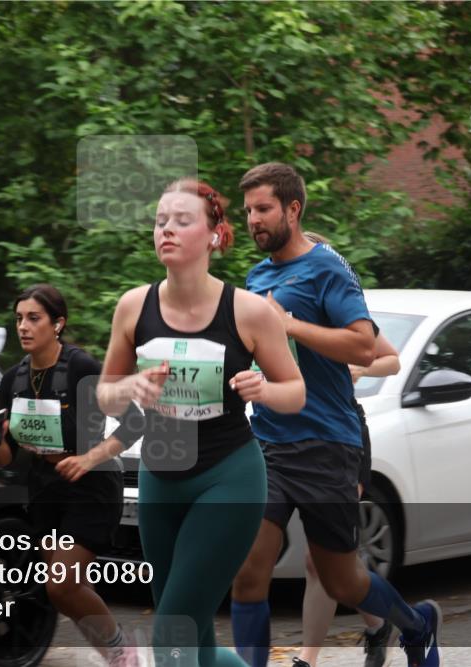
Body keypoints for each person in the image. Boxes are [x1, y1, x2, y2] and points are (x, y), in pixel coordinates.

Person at [229, 163, 441, 667]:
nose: (253, 220)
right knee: (248, 571)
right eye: (248, 211)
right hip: (269, 442)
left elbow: (365, 346)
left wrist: (291, 326)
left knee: (341, 580)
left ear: (293, 209)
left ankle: (416, 625)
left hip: (327, 443)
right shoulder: (257, 277)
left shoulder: (328, 268)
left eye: (263, 209)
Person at [96, 178, 305, 667]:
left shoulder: (248, 311)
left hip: (228, 479)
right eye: (160, 221)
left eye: (181, 220)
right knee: (197, 644)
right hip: (160, 480)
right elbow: (105, 394)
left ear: (214, 234)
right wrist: (131, 388)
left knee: (172, 633)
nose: (166, 229)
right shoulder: (133, 306)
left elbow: (295, 392)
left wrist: (263, 390)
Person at [0, 283, 140, 667]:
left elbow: (135, 422)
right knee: (68, 591)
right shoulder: (13, 380)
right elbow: (7, 458)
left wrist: (87, 458)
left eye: (34, 318)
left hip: (92, 486)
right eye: (19, 318)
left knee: (61, 584)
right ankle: (117, 655)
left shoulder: (82, 368)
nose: (23, 326)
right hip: (46, 491)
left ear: (58, 324)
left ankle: (123, 652)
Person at [290, 236, 401, 667]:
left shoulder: (340, 315)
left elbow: (390, 359)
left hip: (342, 433)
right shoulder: (278, 312)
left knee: (319, 558)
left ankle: (308, 658)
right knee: (328, 560)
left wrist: (355, 367)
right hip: (291, 434)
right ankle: (379, 624)